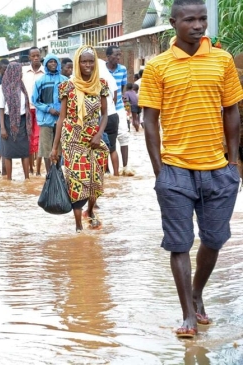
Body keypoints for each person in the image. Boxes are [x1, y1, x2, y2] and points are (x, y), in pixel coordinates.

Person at [139, 0, 243, 339]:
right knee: (179, 244)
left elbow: (232, 111)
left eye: (202, 19)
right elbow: (150, 121)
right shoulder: (158, 67)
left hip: (218, 171)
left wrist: (232, 163)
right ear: (173, 23)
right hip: (175, 170)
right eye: (189, 20)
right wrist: (160, 172)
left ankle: (197, 293)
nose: (198, 26)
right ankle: (187, 314)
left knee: (213, 240)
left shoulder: (222, 60)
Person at [50, 45, 111, 232]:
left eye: (91, 61)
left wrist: (99, 134)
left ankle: (90, 211)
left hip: (94, 138)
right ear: (77, 63)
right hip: (72, 139)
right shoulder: (67, 87)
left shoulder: (100, 85)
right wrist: (55, 148)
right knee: (77, 180)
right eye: (84, 61)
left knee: (95, 180)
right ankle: (78, 227)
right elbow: (61, 118)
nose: (88, 65)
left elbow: (105, 113)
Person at [32, 53, 67, 174]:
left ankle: (59, 173)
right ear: (46, 64)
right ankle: (49, 174)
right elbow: (35, 100)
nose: (53, 64)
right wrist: (48, 109)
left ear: (58, 64)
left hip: (61, 120)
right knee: (46, 149)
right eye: (50, 62)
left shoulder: (65, 80)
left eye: (55, 62)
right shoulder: (40, 81)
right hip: (46, 119)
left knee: (61, 148)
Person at [0, 63, 32, 181]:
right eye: (19, 71)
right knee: (8, 152)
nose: (21, 74)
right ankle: (9, 179)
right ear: (13, 72)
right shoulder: (3, 88)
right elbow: (0, 108)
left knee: (24, 151)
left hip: (23, 121)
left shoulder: (22, 87)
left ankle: (27, 178)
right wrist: (2, 127)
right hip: (8, 121)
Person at [105, 45, 134, 176]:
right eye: (115, 55)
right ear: (108, 56)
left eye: (119, 55)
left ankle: (126, 167)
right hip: (104, 109)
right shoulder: (101, 71)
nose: (118, 57)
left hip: (118, 107)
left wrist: (120, 101)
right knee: (104, 138)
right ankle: (105, 169)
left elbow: (122, 88)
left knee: (124, 135)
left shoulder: (122, 69)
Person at [23, 47, 46, 175]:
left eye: (38, 55)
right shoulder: (23, 72)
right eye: (33, 56)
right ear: (29, 57)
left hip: (41, 109)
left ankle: (37, 170)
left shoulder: (45, 72)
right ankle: (30, 168)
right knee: (28, 138)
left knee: (38, 139)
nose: (36, 58)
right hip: (26, 109)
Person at [98, 59, 122, 176]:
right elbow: (115, 99)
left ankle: (104, 173)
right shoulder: (110, 79)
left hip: (100, 117)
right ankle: (116, 174)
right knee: (112, 147)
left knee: (100, 147)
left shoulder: (94, 81)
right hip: (112, 115)